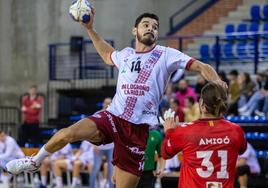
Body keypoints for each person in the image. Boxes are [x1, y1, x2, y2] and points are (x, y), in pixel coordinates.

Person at [7, 11, 226, 188]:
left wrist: (216, 81)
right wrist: (90, 28)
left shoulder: (166, 54)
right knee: (68, 133)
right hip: (113, 116)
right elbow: (106, 53)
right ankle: (35, 161)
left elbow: (200, 66)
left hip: (138, 130)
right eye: (146, 24)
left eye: (155, 27)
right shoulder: (126, 54)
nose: (151, 28)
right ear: (135, 30)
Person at [161, 82, 247, 188]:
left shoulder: (185, 131)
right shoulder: (236, 130)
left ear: (202, 105)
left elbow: (165, 153)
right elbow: (242, 149)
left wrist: (169, 132)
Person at [90, 97, 114, 188]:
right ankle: (91, 186)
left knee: (111, 169)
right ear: (103, 103)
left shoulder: (115, 115)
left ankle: (111, 186)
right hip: (99, 147)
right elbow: (91, 131)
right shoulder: (97, 114)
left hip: (111, 147)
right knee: (95, 168)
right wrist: (93, 144)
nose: (107, 105)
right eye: (106, 103)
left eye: (109, 103)